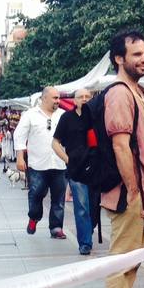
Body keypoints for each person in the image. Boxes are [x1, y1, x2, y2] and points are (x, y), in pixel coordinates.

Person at [101, 30, 144, 288]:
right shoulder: (120, 94)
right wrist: (133, 189)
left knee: (133, 256)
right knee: (123, 257)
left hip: (139, 193)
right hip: (129, 193)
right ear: (119, 59)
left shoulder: (135, 91)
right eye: (136, 54)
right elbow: (120, 146)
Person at [14, 86, 68, 239]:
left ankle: (56, 228)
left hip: (59, 163)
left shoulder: (63, 115)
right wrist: (19, 157)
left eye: (59, 98)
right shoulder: (30, 115)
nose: (58, 101)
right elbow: (19, 136)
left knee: (58, 198)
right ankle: (34, 217)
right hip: (37, 164)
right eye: (55, 98)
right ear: (44, 98)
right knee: (36, 194)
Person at [52, 88, 96, 255]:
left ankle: (88, 231)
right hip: (77, 169)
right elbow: (55, 143)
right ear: (74, 100)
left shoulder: (97, 117)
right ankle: (85, 243)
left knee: (94, 207)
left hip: (96, 168)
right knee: (82, 206)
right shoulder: (67, 118)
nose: (84, 99)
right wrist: (68, 160)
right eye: (80, 97)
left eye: (87, 96)